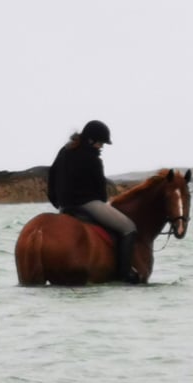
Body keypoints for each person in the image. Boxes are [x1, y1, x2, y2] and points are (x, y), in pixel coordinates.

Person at [48, 120, 139, 283]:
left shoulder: (64, 150)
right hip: (87, 204)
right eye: (101, 143)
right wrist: (103, 202)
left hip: (64, 207)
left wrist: (57, 202)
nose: (101, 147)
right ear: (91, 140)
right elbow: (101, 194)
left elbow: (52, 175)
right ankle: (125, 273)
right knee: (129, 228)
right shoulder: (93, 159)